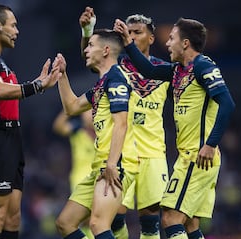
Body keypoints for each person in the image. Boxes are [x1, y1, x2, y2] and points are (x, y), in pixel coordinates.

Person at [114, 17, 235, 239]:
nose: (167, 43)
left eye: (171, 38)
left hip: (197, 157)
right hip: (190, 156)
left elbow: (227, 103)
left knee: (170, 218)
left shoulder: (203, 66)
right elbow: (149, 69)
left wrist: (211, 143)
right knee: (191, 224)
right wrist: (128, 43)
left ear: (185, 43)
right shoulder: (178, 70)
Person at [0, 4, 60, 239]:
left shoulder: (0, 62)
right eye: (13, 25)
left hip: (11, 139)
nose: (17, 30)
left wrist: (37, 84)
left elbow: (10, 91)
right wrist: (36, 86)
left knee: (13, 218)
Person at [80, 7, 170, 239]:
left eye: (137, 32)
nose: (130, 36)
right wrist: (87, 31)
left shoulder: (162, 71)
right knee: (115, 216)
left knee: (151, 221)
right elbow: (92, 57)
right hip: (125, 153)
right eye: (127, 32)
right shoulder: (117, 66)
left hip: (153, 153)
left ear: (151, 38)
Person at [54, 29, 139, 239]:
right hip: (98, 168)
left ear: (106, 50)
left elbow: (121, 124)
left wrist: (112, 164)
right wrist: (62, 76)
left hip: (116, 164)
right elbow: (72, 108)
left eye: (91, 45)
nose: (86, 50)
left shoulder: (116, 79)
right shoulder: (101, 85)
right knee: (65, 223)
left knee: (98, 225)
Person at [52, 109, 95, 239]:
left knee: (96, 220)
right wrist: (71, 107)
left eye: (93, 111)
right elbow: (58, 127)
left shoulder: (105, 131)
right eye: (87, 111)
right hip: (80, 180)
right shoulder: (77, 130)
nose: (90, 115)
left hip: (99, 179)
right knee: (84, 219)